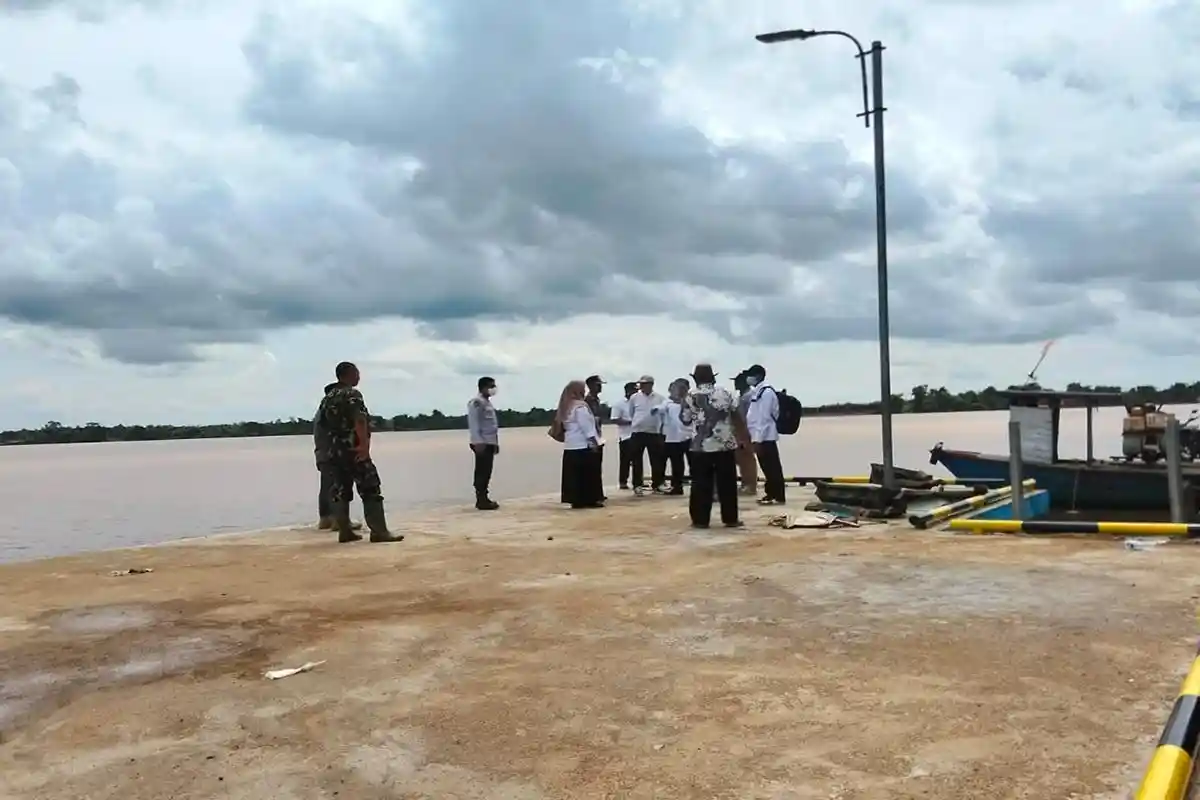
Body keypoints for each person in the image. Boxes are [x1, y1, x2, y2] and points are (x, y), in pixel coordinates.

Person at [321, 361, 404, 543]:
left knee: (341, 489)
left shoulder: (328, 397)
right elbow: (360, 420)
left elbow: (323, 425)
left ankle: (344, 531)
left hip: (335, 450)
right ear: (349, 374)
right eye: (357, 373)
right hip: (353, 448)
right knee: (370, 487)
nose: (359, 377)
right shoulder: (352, 394)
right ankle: (379, 531)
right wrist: (364, 446)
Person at [680, 363, 744, 529]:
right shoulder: (725, 392)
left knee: (700, 484)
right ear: (713, 377)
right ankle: (730, 519)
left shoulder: (689, 396)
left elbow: (685, 419)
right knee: (727, 484)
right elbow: (737, 414)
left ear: (695, 378)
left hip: (700, 446)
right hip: (725, 445)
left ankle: (700, 520)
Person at [557, 380, 604, 509]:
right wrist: (594, 443)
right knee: (587, 474)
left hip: (570, 445)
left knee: (573, 475)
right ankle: (589, 499)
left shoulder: (566, 406)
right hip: (582, 445)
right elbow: (587, 427)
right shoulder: (580, 407)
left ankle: (575, 499)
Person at [745, 363, 786, 505]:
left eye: (751, 375)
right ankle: (771, 493)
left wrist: (758, 440)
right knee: (767, 467)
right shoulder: (758, 392)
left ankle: (777, 495)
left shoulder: (766, 393)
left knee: (772, 467)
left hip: (766, 436)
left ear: (758, 376)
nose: (748, 378)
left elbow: (763, 418)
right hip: (760, 436)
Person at [628, 374, 666, 496]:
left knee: (656, 460)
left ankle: (657, 484)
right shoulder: (634, 397)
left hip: (654, 432)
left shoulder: (660, 398)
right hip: (638, 432)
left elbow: (663, 414)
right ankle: (637, 485)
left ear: (651, 385)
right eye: (641, 384)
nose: (643, 387)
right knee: (637, 460)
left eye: (645, 384)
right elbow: (631, 412)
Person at [467, 376, 500, 511]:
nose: (493, 389)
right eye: (491, 386)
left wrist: (496, 443)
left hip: (490, 442)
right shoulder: (476, 402)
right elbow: (474, 423)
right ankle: (481, 499)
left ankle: (485, 498)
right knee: (481, 471)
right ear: (483, 387)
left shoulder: (487, 403)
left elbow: (491, 425)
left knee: (487, 471)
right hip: (482, 442)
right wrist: (477, 442)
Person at [662, 378, 692, 495]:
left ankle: (698, 486)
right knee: (677, 463)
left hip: (690, 436)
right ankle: (677, 486)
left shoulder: (691, 401)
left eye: (683, 388)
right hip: (673, 438)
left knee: (694, 463)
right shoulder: (668, 403)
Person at [733, 370, 759, 495]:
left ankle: (750, 485)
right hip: (739, 431)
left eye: (737, 382)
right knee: (741, 458)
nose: (735, 384)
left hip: (747, 430)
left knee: (747, 458)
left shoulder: (750, 396)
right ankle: (745, 483)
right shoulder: (741, 396)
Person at [584, 375, 607, 501]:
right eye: (598, 384)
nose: (600, 387)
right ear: (591, 385)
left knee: (598, 466)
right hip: (592, 437)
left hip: (598, 435)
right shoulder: (587, 401)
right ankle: (594, 494)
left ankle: (598, 492)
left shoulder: (596, 400)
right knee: (593, 467)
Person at [611, 381, 637, 489]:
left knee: (637, 460)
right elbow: (615, 419)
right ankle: (623, 481)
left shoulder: (638, 402)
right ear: (629, 391)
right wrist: (631, 422)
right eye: (635, 390)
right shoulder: (619, 404)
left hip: (638, 435)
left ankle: (637, 482)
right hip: (626, 436)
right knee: (625, 460)